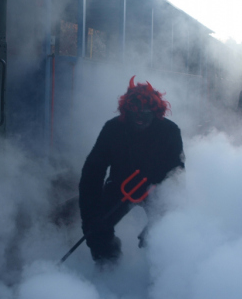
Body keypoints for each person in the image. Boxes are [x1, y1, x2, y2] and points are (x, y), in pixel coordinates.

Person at [78, 77, 184, 264]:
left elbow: (176, 176)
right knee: (96, 231)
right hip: (119, 187)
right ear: (126, 112)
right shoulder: (113, 129)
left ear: (156, 112)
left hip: (157, 190)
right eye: (135, 113)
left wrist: (157, 225)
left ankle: (159, 281)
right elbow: (92, 173)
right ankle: (108, 269)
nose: (141, 119)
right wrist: (91, 218)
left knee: (163, 235)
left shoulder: (170, 131)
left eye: (146, 113)